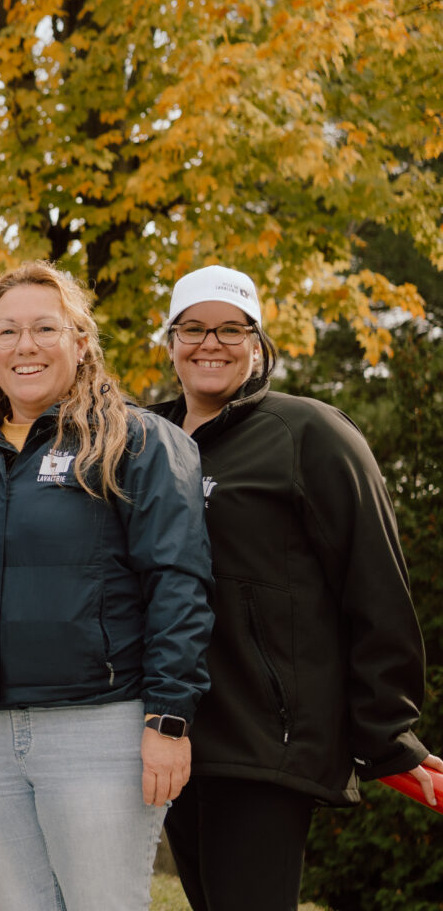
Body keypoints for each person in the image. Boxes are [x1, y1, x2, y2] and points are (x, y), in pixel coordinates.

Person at [0, 261, 214, 911]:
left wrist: (169, 718)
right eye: (8, 332)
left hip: (99, 731)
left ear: (81, 341)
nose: (25, 346)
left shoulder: (135, 443)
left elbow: (179, 586)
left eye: (45, 328)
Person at [148, 265, 437, 910]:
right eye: (192, 328)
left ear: (258, 344)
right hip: (163, 736)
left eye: (230, 328)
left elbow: (375, 584)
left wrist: (387, 733)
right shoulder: (142, 440)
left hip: (262, 740)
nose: (210, 343)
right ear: (170, 343)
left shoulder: (308, 433)